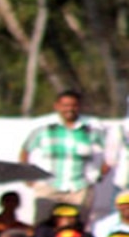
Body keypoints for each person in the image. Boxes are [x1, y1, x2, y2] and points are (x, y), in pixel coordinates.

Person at [19, 89, 108, 222]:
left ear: (79, 107)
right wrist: (27, 175)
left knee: (77, 227)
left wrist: (100, 174)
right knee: (42, 225)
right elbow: (25, 150)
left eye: (74, 105)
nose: (70, 109)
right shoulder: (43, 126)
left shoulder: (92, 127)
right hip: (48, 185)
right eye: (66, 105)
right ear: (57, 106)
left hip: (80, 187)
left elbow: (112, 151)